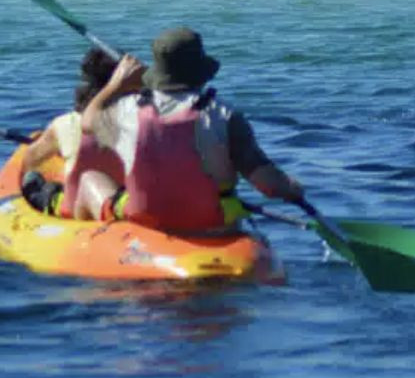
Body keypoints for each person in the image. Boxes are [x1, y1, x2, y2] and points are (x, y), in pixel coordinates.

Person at [63, 29, 309, 232]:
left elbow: (87, 121)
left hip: (144, 219)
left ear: (158, 73)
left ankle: (89, 245)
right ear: (201, 73)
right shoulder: (225, 115)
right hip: (212, 224)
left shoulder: (126, 112)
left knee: (89, 180)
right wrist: (293, 188)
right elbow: (268, 185)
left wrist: (116, 84)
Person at [18, 48, 122, 215]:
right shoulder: (140, 120)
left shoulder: (64, 124)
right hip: (121, 200)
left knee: (34, 182)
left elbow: (31, 160)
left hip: (76, 207)